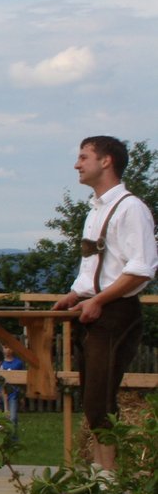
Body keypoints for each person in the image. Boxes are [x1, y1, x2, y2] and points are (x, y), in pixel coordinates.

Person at [52, 136, 157, 474]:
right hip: (93, 309)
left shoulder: (130, 208)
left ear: (106, 161)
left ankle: (107, 480)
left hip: (115, 311)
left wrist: (98, 299)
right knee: (93, 399)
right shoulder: (96, 210)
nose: (77, 164)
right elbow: (96, 267)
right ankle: (99, 475)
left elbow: (141, 269)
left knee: (101, 398)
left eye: (84, 157)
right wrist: (76, 293)